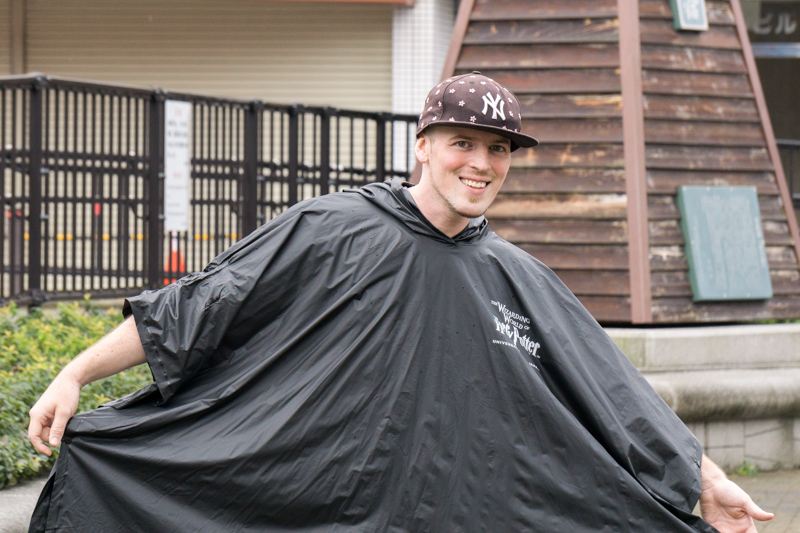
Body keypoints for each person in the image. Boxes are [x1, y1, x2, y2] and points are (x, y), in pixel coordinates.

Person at [28, 72, 772, 532]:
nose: (481, 164)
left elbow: (614, 392)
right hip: (303, 503)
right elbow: (199, 307)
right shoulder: (330, 228)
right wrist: (75, 373)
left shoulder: (519, 279)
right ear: (423, 145)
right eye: (462, 143)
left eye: (499, 149)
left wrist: (707, 483)